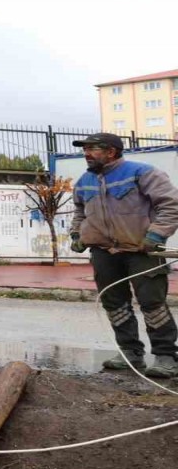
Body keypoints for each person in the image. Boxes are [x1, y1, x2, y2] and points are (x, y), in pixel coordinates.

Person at [69, 132, 178, 378]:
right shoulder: (85, 181)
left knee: (152, 303)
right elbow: (79, 210)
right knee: (114, 303)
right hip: (103, 252)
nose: (87, 153)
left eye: (93, 149)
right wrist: (77, 234)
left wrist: (156, 235)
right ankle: (130, 353)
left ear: (111, 152)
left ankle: (166, 356)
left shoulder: (142, 173)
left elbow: (170, 205)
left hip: (142, 251)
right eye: (85, 149)